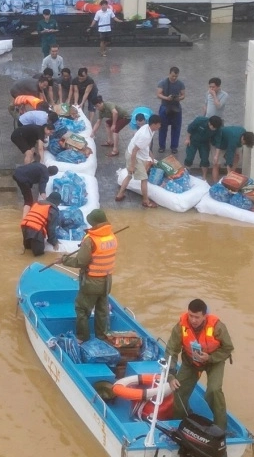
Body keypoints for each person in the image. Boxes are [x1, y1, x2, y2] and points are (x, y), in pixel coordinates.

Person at [166, 298, 233, 432]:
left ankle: (221, 429)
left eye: (197, 317)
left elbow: (228, 348)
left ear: (204, 316)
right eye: (190, 316)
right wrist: (171, 376)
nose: (193, 320)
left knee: (214, 390)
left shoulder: (217, 326)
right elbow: (171, 350)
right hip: (191, 361)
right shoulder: (181, 326)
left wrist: (210, 357)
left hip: (214, 361)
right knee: (179, 391)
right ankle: (181, 424)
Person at [59, 208, 118, 342]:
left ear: (94, 223)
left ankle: (82, 338)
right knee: (102, 310)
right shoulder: (111, 237)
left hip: (91, 282)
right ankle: (102, 336)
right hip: (107, 281)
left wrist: (64, 260)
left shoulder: (90, 240)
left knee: (82, 309)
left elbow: (81, 261)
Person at [117, 114, 161, 208]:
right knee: (144, 179)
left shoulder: (148, 128)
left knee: (129, 175)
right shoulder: (145, 135)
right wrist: (132, 165)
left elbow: (145, 145)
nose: (160, 126)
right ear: (154, 124)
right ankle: (146, 201)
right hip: (134, 156)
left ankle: (120, 194)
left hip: (132, 153)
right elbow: (135, 151)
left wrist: (151, 155)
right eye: (159, 124)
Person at [207, 116, 254, 183]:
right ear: (243, 138)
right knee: (216, 164)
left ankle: (230, 176)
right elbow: (230, 154)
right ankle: (216, 184)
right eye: (244, 143)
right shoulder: (234, 139)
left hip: (230, 141)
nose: (243, 145)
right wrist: (228, 168)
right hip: (218, 143)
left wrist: (230, 172)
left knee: (237, 157)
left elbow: (234, 151)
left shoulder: (243, 131)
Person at [155, 67, 187, 154]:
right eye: (173, 76)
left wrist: (178, 98)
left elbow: (183, 95)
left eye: (176, 76)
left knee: (176, 128)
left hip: (176, 107)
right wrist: (166, 98)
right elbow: (158, 94)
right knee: (162, 128)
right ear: (169, 74)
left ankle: (174, 146)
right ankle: (162, 146)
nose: (174, 78)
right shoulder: (163, 83)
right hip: (165, 106)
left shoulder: (180, 83)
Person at [184, 115, 214, 181]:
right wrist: (187, 139)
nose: (213, 129)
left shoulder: (217, 128)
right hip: (193, 141)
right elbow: (190, 128)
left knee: (205, 159)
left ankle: (204, 177)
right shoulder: (200, 120)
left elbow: (216, 139)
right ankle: (186, 174)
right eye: (212, 127)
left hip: (204, 143)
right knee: (189, 157)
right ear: (209, 123)